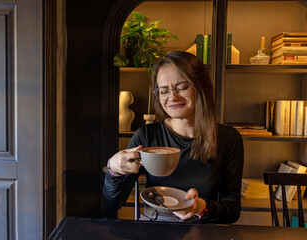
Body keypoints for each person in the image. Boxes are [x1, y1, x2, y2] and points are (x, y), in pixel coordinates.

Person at [103, 51, 244, 223]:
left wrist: (200, 207)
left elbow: (232, 210)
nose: (172, 97)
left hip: (204, 228)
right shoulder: (147, 135)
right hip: (154, 225)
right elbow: (113, 202)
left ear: (201, 87)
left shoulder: (228, 139)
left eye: (182, 87)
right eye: (163, 91)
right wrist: (113, 170)